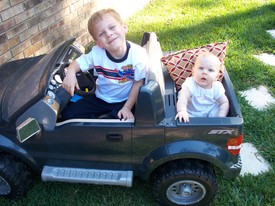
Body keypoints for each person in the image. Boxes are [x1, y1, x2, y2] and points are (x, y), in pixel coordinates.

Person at [61, 8, 147, 121]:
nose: (109, 34)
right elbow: (76, 64)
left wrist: (127, 108)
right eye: (102, 33)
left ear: (124, 27)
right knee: (68, 115)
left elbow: (138, 83)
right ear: (99, 43)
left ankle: (106, 118)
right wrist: (71, 73)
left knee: (120, 124)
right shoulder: (97, 53)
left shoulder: (138, 54)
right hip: (100, 98)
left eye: (112, 27)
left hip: (125, 100)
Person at [175, 52, 229, 123]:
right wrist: (182, 110)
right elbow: (183, 97)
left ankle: (215, 124)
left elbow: (224, 102)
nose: (204, 72)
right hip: (192, 113)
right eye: (201, 68)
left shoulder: (217, 87)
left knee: (218, 109)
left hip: (211, 112)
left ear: (217, 76)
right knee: (183, 119)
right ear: (193, 71)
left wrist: (221, 117)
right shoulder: (190, 83)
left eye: (210, 70)